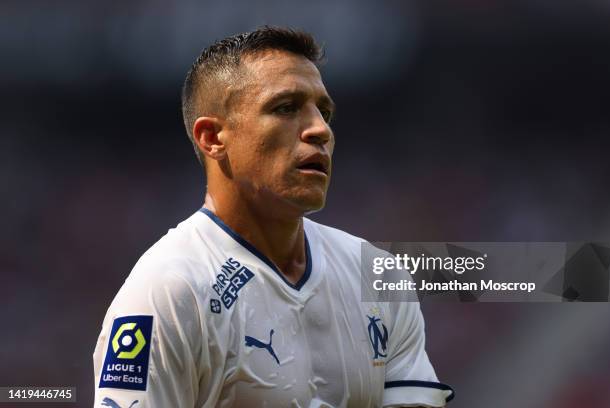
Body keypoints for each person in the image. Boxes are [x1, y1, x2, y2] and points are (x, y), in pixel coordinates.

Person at [93, 26, 454, 408]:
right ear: (213, 137)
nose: (320, 130)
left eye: (324, 112)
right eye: (285, 108)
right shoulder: (168, 291)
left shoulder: (377, 277)